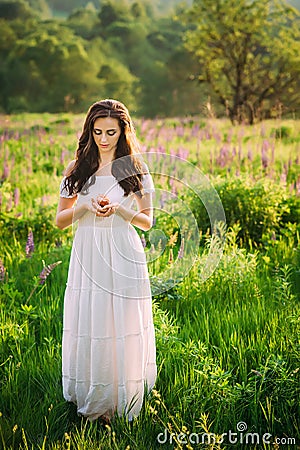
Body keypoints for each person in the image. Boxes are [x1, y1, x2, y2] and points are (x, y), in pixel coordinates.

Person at [55, 99, 157, 423]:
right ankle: (95, 398)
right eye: (97, 131)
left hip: (123, 250)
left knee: (120, 321)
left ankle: (121, 398)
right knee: (93, 319)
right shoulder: (77, 169)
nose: (103, 139)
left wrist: (122, 211)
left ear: (122, 132)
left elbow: (147, 221)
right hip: (88, 252)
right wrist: (84, 207)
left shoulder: (134, 168)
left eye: (111, 132)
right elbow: (60, 219)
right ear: (90, 130)